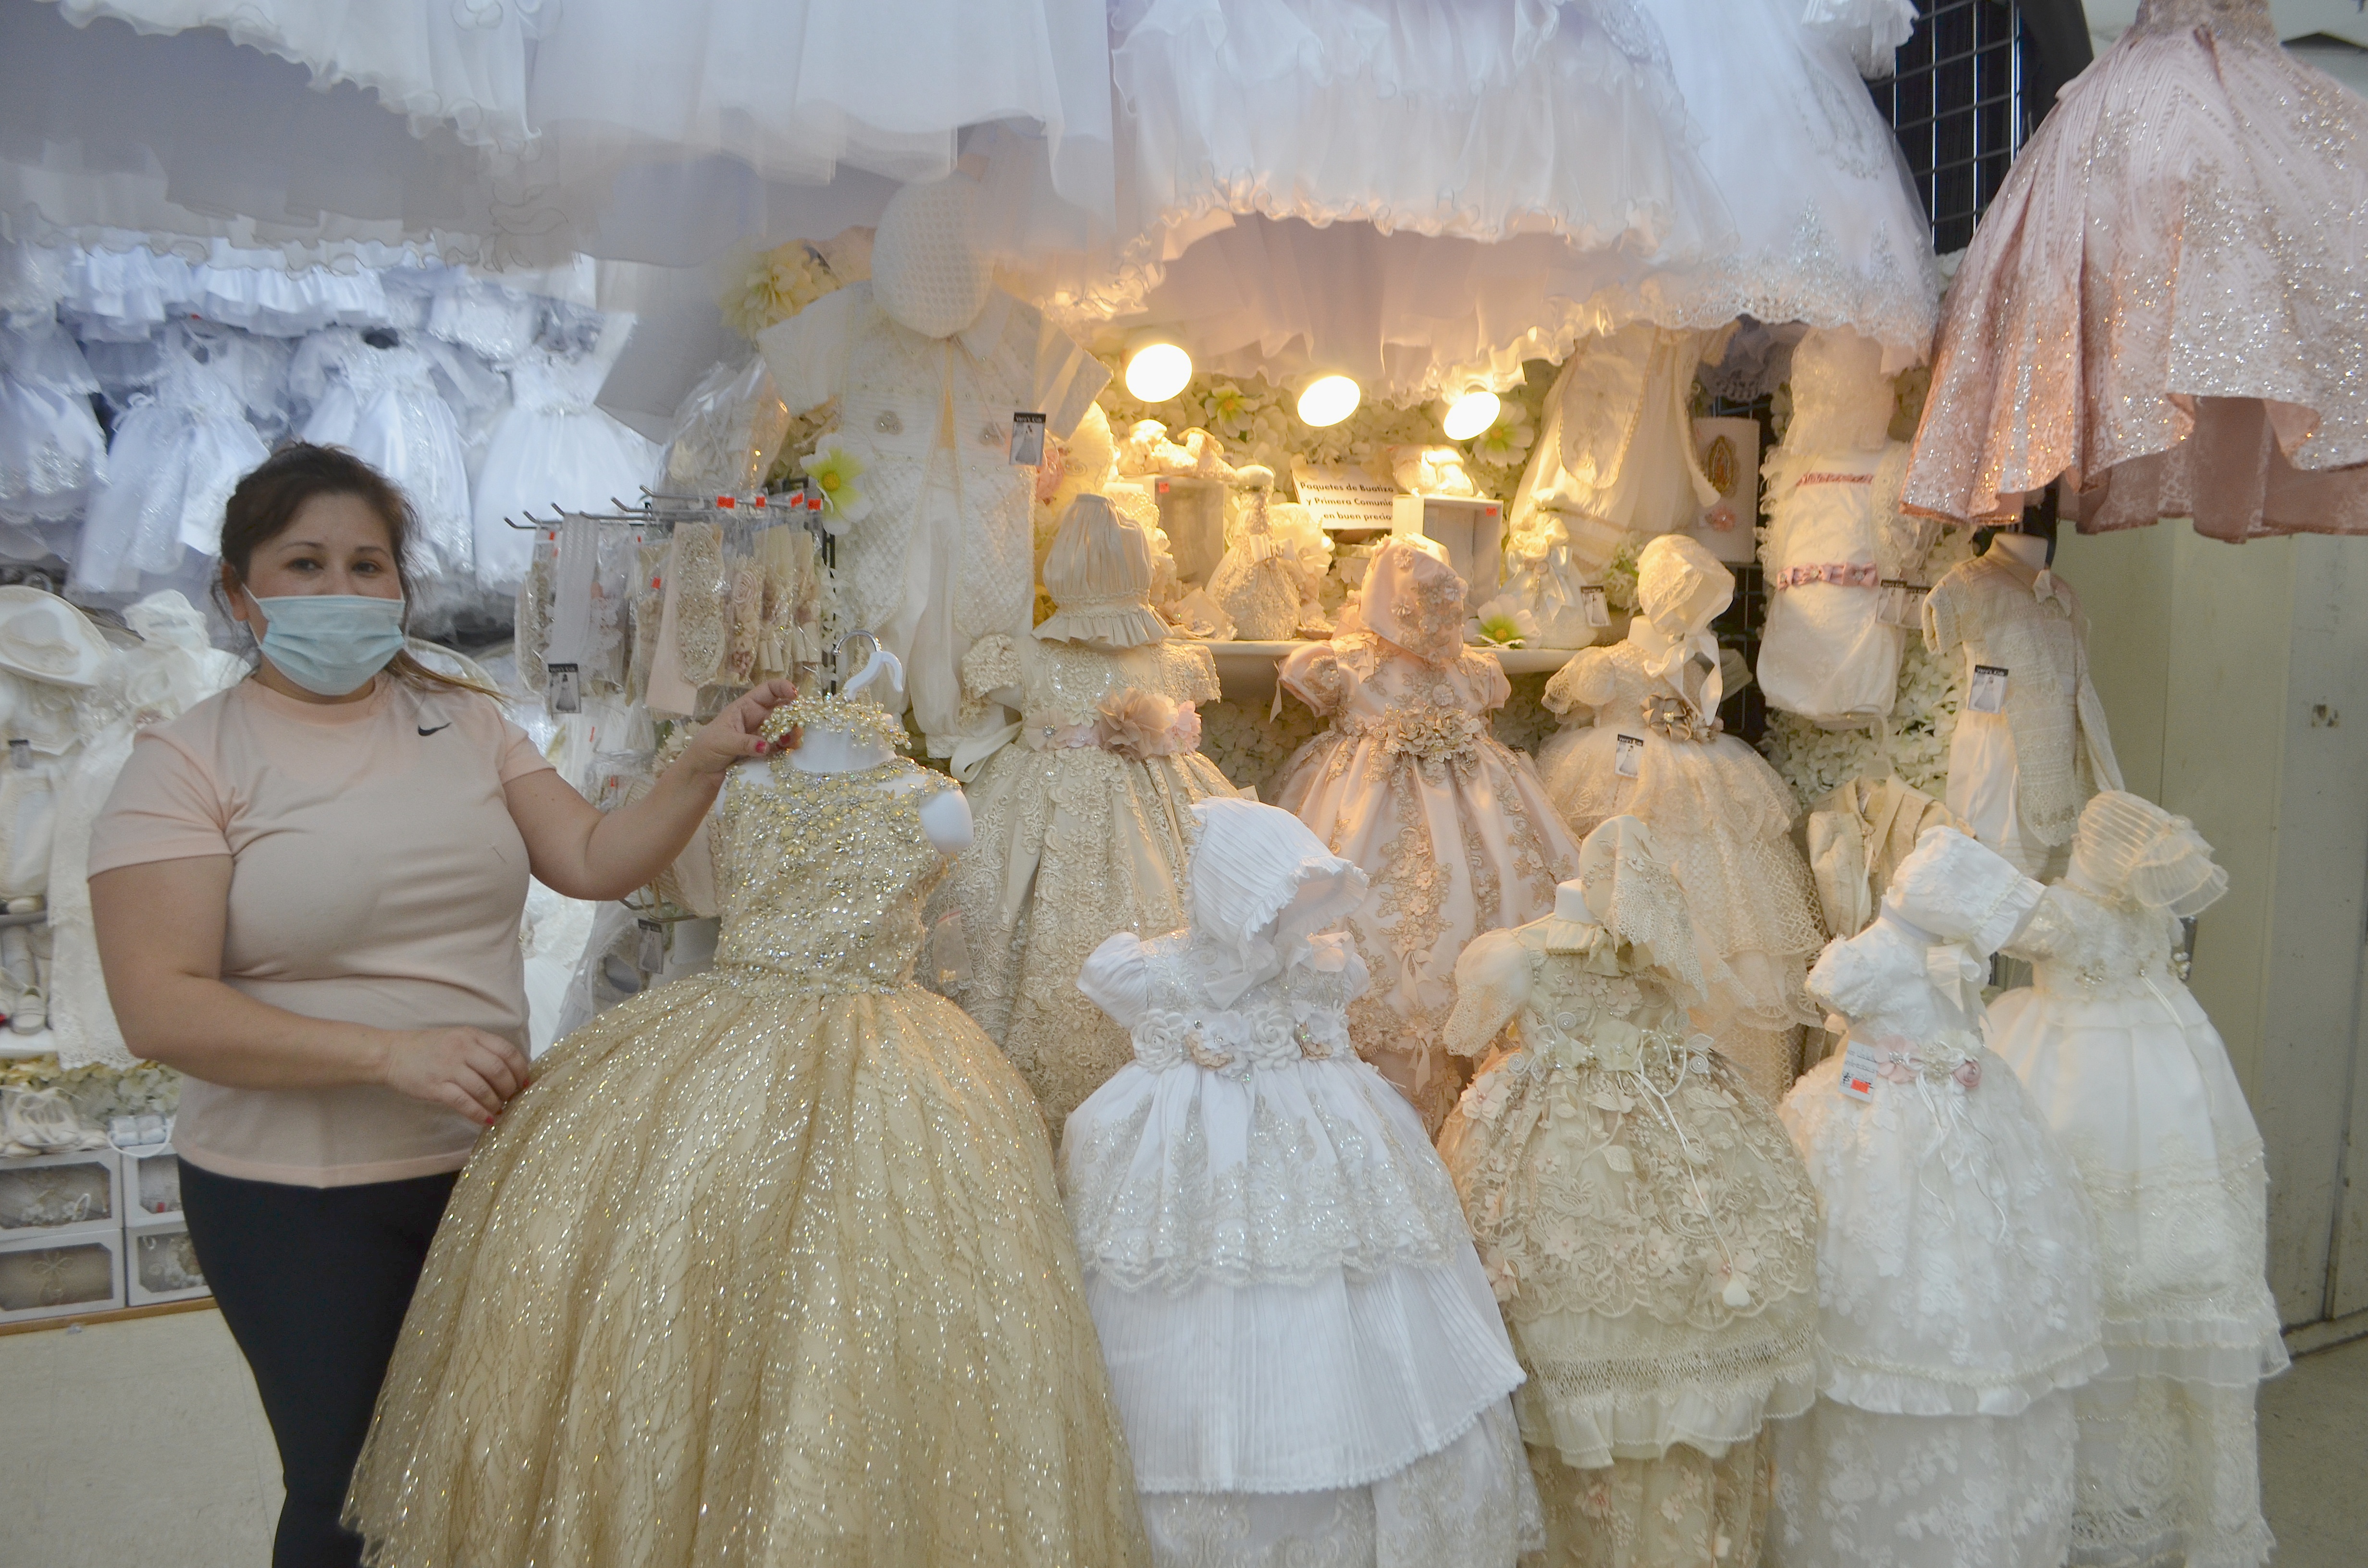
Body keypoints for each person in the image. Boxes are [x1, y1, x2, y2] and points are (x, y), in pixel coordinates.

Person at [86, 442, 796, 1568]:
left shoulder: (464, 723)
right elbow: (159, 1010)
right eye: (304, 564)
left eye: (367, 565)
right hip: (296, 1195)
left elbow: (594, 858)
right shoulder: (184, 764)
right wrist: (387, 1055)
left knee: (485, 1468)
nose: (340, 589)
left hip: (484, 1165)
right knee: (351, 1491)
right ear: (238, 592)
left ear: (400, 587)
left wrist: (701, 762)